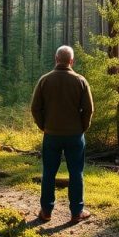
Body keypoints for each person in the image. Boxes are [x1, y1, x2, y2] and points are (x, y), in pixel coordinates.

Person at [30, 45, 94, 224]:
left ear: (56, 59)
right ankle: (76, 212)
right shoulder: (81, 80)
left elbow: (35, 108)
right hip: (75, 135)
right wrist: (82, 127)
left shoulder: (45, 80)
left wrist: (44, 126)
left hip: (51, 135)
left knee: (48, 172)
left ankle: (46, 211)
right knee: (76, 172)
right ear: (71, 61)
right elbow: (89, 109)